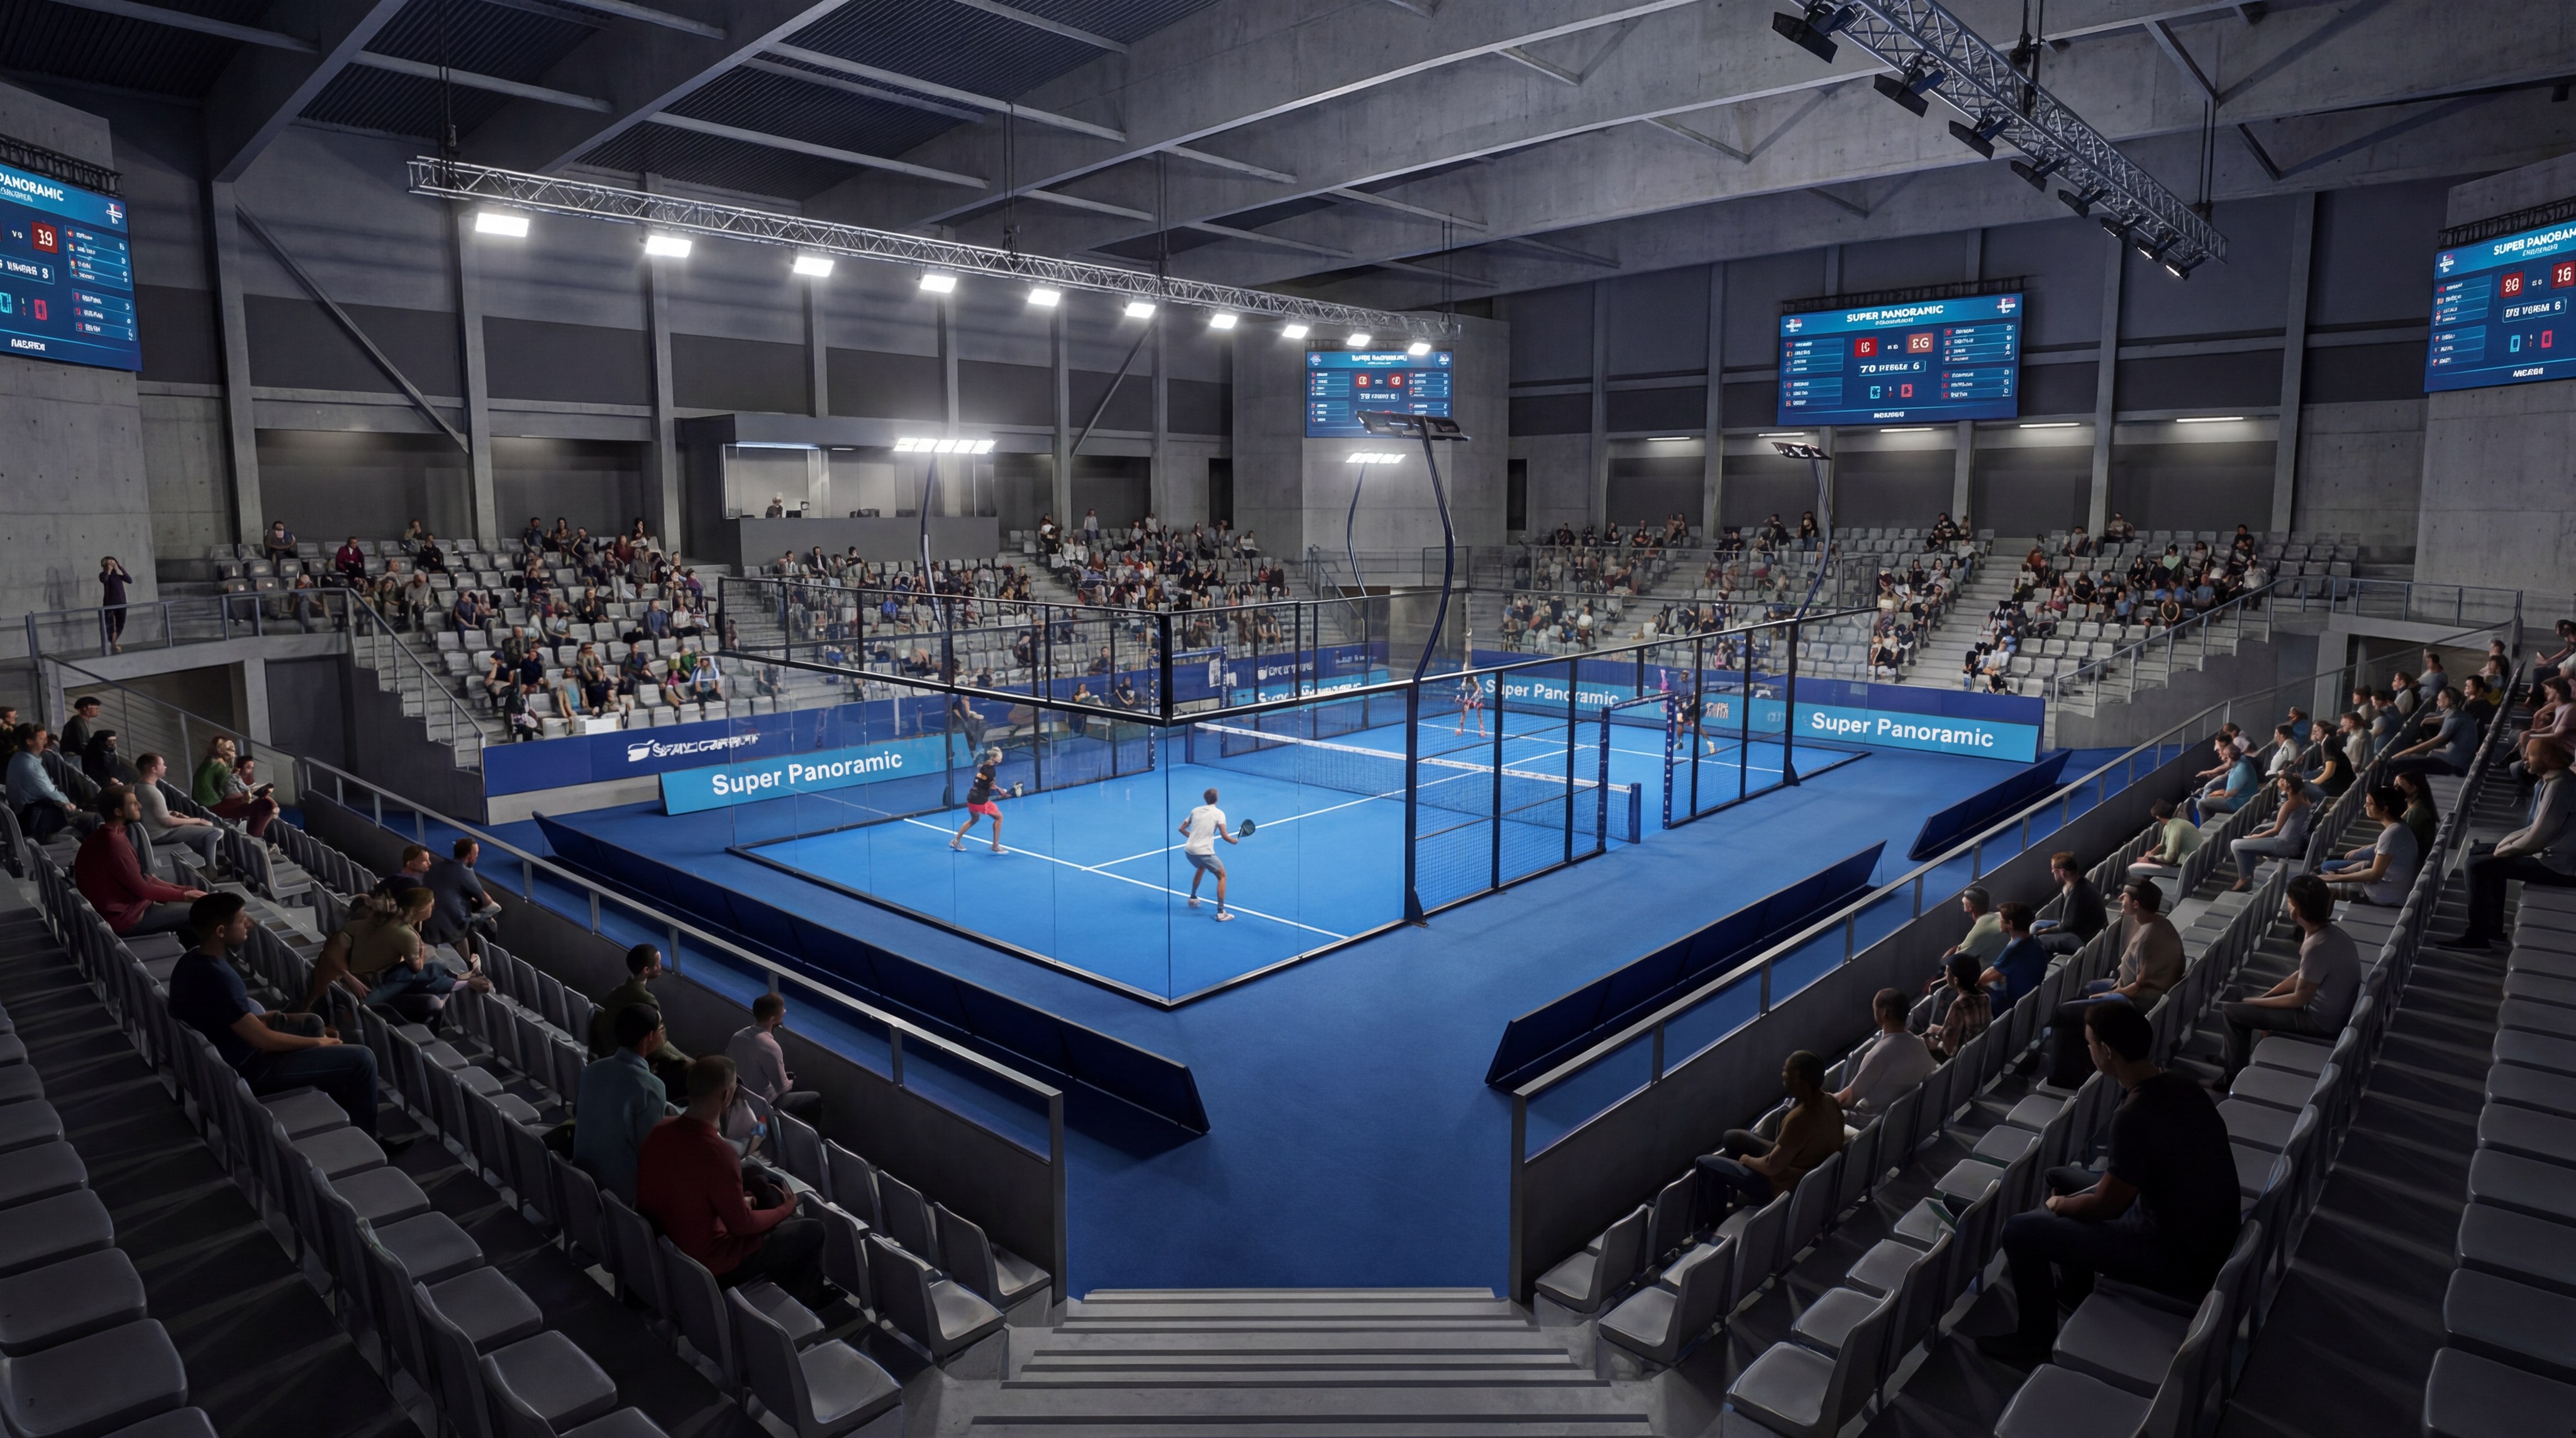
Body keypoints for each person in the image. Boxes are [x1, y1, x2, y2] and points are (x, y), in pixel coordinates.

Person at [1980, 1002, 2239, 1365]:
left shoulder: (2133, 1116)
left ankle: (2033, 1341)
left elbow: (2108, 1206)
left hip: (2173, 1253)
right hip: (2203, 1230)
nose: (2087, 1049)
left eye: (2089, 1043)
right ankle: (2073, 1290)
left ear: (2106, 1051)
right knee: (2060, 1177)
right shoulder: (2185, 1088)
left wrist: (2061, 1207)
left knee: (2019, 1231)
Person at [169, 892, 386, 1138]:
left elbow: (226, 1019)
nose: (249, 922)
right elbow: (264, 1041)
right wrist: (319, 1043)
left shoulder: (190, 961)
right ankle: (367, 1138)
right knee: (363, 1059)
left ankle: (336, 1114)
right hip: (252, 1070)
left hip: (228, 1054)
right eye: (241, 920)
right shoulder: (221, 978)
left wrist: (276, 1018)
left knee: (312, 1022)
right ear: (221, 931)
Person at [638, 1056, 828, 1309]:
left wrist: (741, 1200)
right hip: (709, 1265)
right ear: (726, 1095)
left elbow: (692, 1188)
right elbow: (743, 1225)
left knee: (757, 1180)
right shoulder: (720, 1153)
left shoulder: (661, 1129)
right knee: (812, 1230)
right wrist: (787, 1208)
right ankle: (806, 1302)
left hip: (671, 1246)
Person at [2215, 874, 2359, 1085]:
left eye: (2290, 902)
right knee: (2239, 992)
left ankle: (2229, 1079)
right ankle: (2226, 1056)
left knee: (2232, 1011)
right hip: (2320, 1008)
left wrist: (2256, 1003)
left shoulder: (2317, 947)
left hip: (2319, 1021)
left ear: (2297, 910)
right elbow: (2301, 976)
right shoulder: (2327, 932)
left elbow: (2299, 999)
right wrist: (2266, 997)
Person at [2044, 879, 2183, 1088]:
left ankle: (2063, 1077)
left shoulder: (2146, 937)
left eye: (2125, 896)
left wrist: (2110, 995)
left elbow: (2137, 986)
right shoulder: (2162, 923)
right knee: (2090, 989)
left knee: (2064, 1012)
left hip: (2137, 999)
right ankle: (2085, 1051)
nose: (2120, 898)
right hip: (2134, 988)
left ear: (2136, 904)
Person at [2443, 735, 2576, 949]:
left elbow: (2537, 840)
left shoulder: (2560, 787)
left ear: (2548, 757)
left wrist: (2504, 851)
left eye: (2530, 755)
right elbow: (2534, 829)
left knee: (2476, 865)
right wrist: (2505, 844)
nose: (2525, 759)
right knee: (2479, 851)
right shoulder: (2554, 781)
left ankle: (2477, 937)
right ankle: (2492, 927)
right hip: (2551, 857)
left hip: (2559, 867)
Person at [1694, 1051, 1844, 1218]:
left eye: (1787, 1072)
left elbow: (1771, 1167)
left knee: (1704, 1163)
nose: (1783, 1075)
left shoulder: (1800, 1118)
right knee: (1732, 1137)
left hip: (1783, 1186)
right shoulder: (1830, 1102)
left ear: (1803, 1081)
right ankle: (1735, 1200)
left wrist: (1746, 1160)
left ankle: (1713, 1223)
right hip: (1805, 1169)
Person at [74, 786, 206, 937]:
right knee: (201, 913)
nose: (140, 806)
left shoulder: (109, 835)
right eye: (133, 804)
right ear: (118, 812)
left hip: (125, 910)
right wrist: (186, 896)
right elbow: (143, 889)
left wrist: (184, 890)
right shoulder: (114, 843)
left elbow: (143, 878)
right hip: (126, 919)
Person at [575, 1003, 670, 1203]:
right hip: (621, 1194)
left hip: (580, 1179)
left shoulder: (592, 1070)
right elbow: (649, 1151)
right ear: (650, 1036)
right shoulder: (651, 1087)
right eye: (661, 1029)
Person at [593, 943, 692, 1091]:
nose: (661, 967)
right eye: (658, 965)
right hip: (636, 1063)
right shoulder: (647, 1001)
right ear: (646, 970)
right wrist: (685, 1060)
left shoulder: (616, 992)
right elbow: (658, 1045)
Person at [1834, 989, 1936, 1118]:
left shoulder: (1877, 1055)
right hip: (1903, 1120)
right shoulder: (1919, 1043)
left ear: (1884, 1013)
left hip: (1867, 1123)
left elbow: (1847, 1099)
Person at [2315, 785, 2418, 907]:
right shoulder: (2400, 828)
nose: (2365, 806)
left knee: (2323, 888)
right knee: (2327, 871)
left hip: (2384, 894)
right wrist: (2342, 873)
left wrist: (2337, 878)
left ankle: (2320, 924)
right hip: (2395, 888)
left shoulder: (2391, 834)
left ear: (2384, 809)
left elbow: (2375, 874)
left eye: (2369, 804)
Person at [726, 993, 821, 1122]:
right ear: (772, 1018)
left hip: (739, 1097)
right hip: (762, 1104)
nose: (785, 1011)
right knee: (814, 1098)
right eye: (782, 1010)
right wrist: (790, 1081)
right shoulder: (771, 1047)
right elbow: (783, 1088)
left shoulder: (737, 1036)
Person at [132, 753, 221, 871]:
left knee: (202, 832)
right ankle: (211, 869)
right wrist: (198, 820)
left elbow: (150, 812)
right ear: (154, 769)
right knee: (214, 832)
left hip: (152, 831)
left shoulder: (138, 786)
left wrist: (168, 812)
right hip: (160, 834)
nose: (165, 767)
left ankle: (201, 865)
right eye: (162, 765)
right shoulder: (152, 792)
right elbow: (167, 822)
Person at [2226, 773, 2312, 891]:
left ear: (2288, 786)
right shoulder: (2302, 797)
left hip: (2284, 844)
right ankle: (2248, 876)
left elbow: (2276, 830)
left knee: (2235, 845)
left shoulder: (2290, 804)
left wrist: (2256, 837)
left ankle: (2244, 879)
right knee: (2247, 847)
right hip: (2294, 843)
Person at [421, 839, 501, 956]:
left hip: (427, 925)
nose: (477, 857)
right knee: (493, 914)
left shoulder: (435, 867)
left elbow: (447, 893)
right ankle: (477, 962)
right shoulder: (463, 871)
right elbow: (487, 901)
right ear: (470, 856)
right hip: (451, 928)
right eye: (476, 854)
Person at [2383, 684, 2479, 780]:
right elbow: (2443, 718)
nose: (2438, 703)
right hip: (2461, 761)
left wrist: (2402, 753)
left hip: (2455, 765)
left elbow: (2435, 742)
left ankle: (2391, 790)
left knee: (2397, 762)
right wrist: (2430, 720)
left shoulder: (2454, 717)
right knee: (2417, 757)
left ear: (2449, 700)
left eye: (2440, 700)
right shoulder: (2458, 714)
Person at [192, 735, 277, 838]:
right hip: (212, 807)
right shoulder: (220, 767)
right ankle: (255, 837)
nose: (234, 755)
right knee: (265, 804)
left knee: (263, 802)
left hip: (201, 804)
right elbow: (228, 795)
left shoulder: (209, 762)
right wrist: (251, 792)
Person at [8, 725, 77, 842]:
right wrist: (68, 804)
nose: (46, 742)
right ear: (29, 741)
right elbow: (50, 792)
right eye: (42, 739)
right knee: (93, 820)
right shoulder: (30, 765)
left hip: (26, 817)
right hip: (36, 821)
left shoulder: (17, 758)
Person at [1179, 786, 1240, 921]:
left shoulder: (1195, 810)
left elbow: (1181, 828)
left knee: (1202, 867)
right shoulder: (1219, 814)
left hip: (1189, 850)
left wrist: (1193, 838)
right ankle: (1221, 912)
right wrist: (1234, 841)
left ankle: (1193, 898)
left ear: (1205, 799)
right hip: (1204, 852)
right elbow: (1225, 836)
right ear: (1216, 800)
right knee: (1222, 876)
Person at [2031, 851, 2106, 956]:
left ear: (2062, 872)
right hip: (2079, 926)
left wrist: (2041, 932)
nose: (2052, 872)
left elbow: (2065, 927)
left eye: (2053, 870)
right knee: (2036, 925)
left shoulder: (2077, 894)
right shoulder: (2079, 883)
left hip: (2083, 937)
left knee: (2039, 939)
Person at [1982, 901, 2049, 1006]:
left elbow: (1988, 976)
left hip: (2012, 1003)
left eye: (2000, 920)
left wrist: (1975, 984)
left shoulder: (2014, 949)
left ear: (2010, 924)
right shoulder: (2036, 942)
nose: (1999, 922)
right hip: (2032, 1000)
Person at [1929, 952, 1992, 1061]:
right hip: (1978, 1050)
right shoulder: (1985, 997)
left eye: (1947, 971)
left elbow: (1949, 1048)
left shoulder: (1958, 1005)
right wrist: (1940, 1030)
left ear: (1956, 980)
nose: (1944, 973)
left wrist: (1935, 1031)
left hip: (1961, 1058)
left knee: (1924, 1041)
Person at [949, 747, 1006, 854]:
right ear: (994, 758)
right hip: (980, 799)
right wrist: (1001, 790)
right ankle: (995, 846)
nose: (1001, 757)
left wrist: (997, 789)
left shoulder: (984, 766)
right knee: (999, 817)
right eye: (1000, 756)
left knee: (974, 819)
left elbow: (985, 783)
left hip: (972, 797)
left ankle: (956, 841)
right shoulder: (992, 771)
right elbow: (992, 786)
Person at [2190, 739, 2260, 823]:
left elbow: (2229, 794)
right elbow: (2226, 768)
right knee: (2209, 798)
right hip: (2243, 800)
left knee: (2201, 804)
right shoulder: (2242, 761)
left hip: (2236, 804)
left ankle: (2204, 832)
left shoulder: (2241, 770)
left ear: (2230, 757)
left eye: (2225, 757)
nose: (2223, 758)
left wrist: (2218, 793)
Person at [2127, 799, 2201, 879]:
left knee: (2133, 869)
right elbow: (2162, 845)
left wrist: (2150, 859)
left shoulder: (2175, 829)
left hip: (2184, 870)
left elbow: (2170, 858)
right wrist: (2151, 853)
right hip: (2194, 865)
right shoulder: (2177, 824)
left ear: (2158, 817)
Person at [99, 557, 133, 652]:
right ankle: (112, 645)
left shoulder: (118, 574)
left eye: (112, 561)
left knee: (120, 625)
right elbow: (105, 580)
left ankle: (113, 644)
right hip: (109, 604)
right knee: (110, 626)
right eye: (109, 561)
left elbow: (130, 580)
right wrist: (108, 572)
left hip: (121, 603)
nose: (111, 562)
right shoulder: (103, 574)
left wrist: (121, 568)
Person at [59, 695, 102, 759]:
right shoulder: (78, 722)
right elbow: (83, 744)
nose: (97, 709)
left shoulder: (80, 721)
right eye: (95, 707)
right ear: (85, 708)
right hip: (74, 759)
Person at [1455, 673, 1486, 738]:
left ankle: (1482, 730)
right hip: (1470, 697)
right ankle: (1461, 728)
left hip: (1477, 697)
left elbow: (1478, 692)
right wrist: (1462, 700)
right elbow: (1463, 691)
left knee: (1479, 714)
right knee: (1464, 712)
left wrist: (1472, 700)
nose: (1469, 682)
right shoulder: (1465, 684)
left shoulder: (1477, 686)